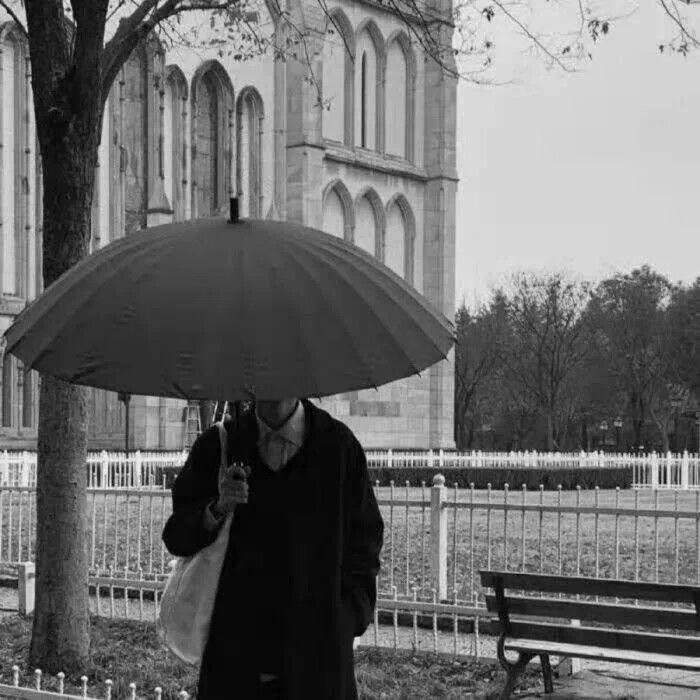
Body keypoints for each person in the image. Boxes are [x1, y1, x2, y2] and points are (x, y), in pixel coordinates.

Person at [162, 397, 384, 699]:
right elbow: (176, 536)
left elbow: (365, 544)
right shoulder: (218, 446)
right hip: (234, 667)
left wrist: (345, 620)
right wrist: (217, 508)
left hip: (318, 668)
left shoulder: (339, 447)